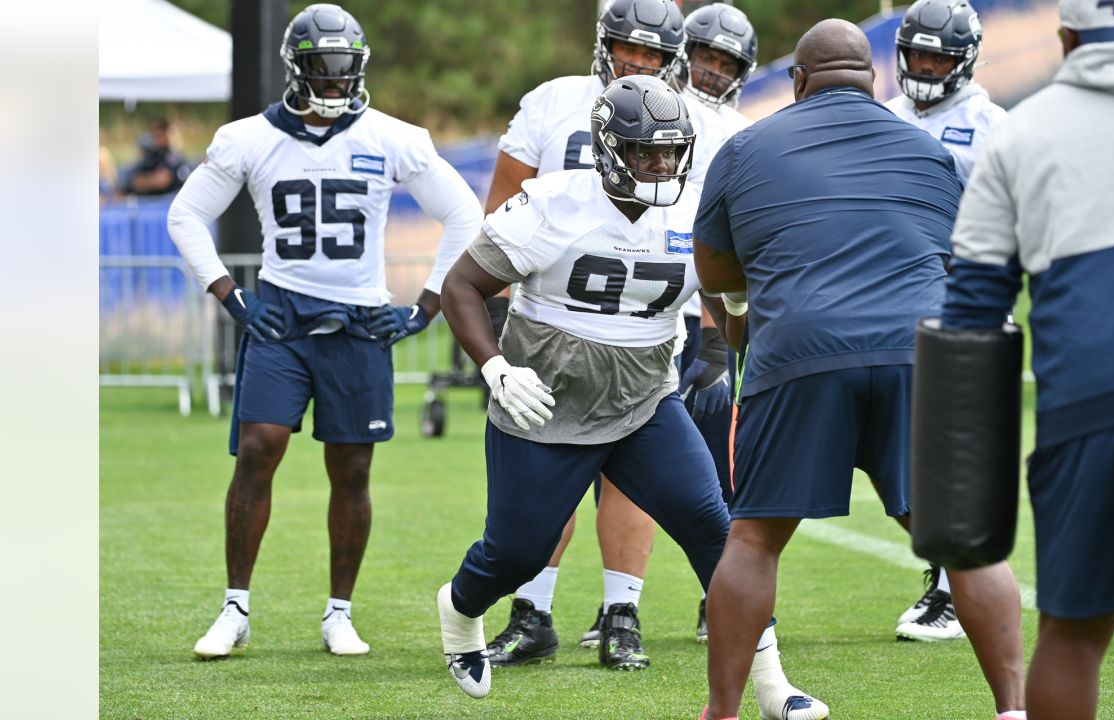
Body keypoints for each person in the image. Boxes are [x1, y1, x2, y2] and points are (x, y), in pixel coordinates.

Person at [435, 75, 826, 720]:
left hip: (645, 401)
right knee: (516, 552)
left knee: (716, 529)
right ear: (609, 148)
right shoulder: (551, 202)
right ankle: (458, 609)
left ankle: (771, 686)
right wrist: (496, 366)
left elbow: (727, 299)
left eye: (670, 152)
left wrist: (737, 308)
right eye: (646, 152)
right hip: (546, 401)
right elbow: (461, 287)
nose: (660, 165)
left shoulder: (697, 211)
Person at [693, 19, 1025, 720]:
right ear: (874, 81)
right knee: (963, 541)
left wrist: (741, 324)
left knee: (753, 537)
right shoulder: (928, 150)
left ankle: (721, 714)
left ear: (799, 82)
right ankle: (1014, 710)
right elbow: (959, 257)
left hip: (801, 350)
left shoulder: (745, 145)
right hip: (920, 353)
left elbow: (716, 267)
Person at [167, 3, 482, 659]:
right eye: (324, 70)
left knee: (353, 467)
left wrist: (426, 306)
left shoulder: (392, 136)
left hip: (359, 320)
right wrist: (229, 296)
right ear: (297, 69)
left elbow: (462, 213)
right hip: (282, 315)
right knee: (259, 446)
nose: (336, 83)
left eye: (346, 70)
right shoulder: (250, 138)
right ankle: (235, 608)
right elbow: (185, 216)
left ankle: (339, 612)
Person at [480, 0, 747, 669]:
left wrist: (715, 340)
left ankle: (620, 610)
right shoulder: (553, 101)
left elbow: (715, 240)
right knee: (550, 468)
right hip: (557, 313)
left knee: (633, 474)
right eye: (626, 47)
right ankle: (532, 607)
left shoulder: (701, 124)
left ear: (672, 57)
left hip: (657, 313)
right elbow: (500, 210)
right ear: (603, 44)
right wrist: (496, 333)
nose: (636, 61)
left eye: (653, 52)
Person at [942, 1, 1114, 717]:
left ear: (1067, 39)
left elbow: (972, 315)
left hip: (1089, 399)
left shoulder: (1021, 135)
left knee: (1073, 634)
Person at [883, 0, 1008, 643]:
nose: (927, 67)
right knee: (912, 453)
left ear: (964, 61)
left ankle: (961, 587)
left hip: (965, 299)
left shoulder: (992, 126)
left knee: (958, 451)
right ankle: (948, 579)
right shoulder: (884, 116)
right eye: (919, 54)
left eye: (940, 57)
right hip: (893, 305)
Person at [125, 118, 193, 196]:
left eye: (159, 135)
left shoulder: (175, 158)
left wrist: (147, 180)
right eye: (155, 135)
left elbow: (163, 180)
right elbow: (135, 181)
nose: (157, 139)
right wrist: (152, 180)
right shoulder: (151, 156)